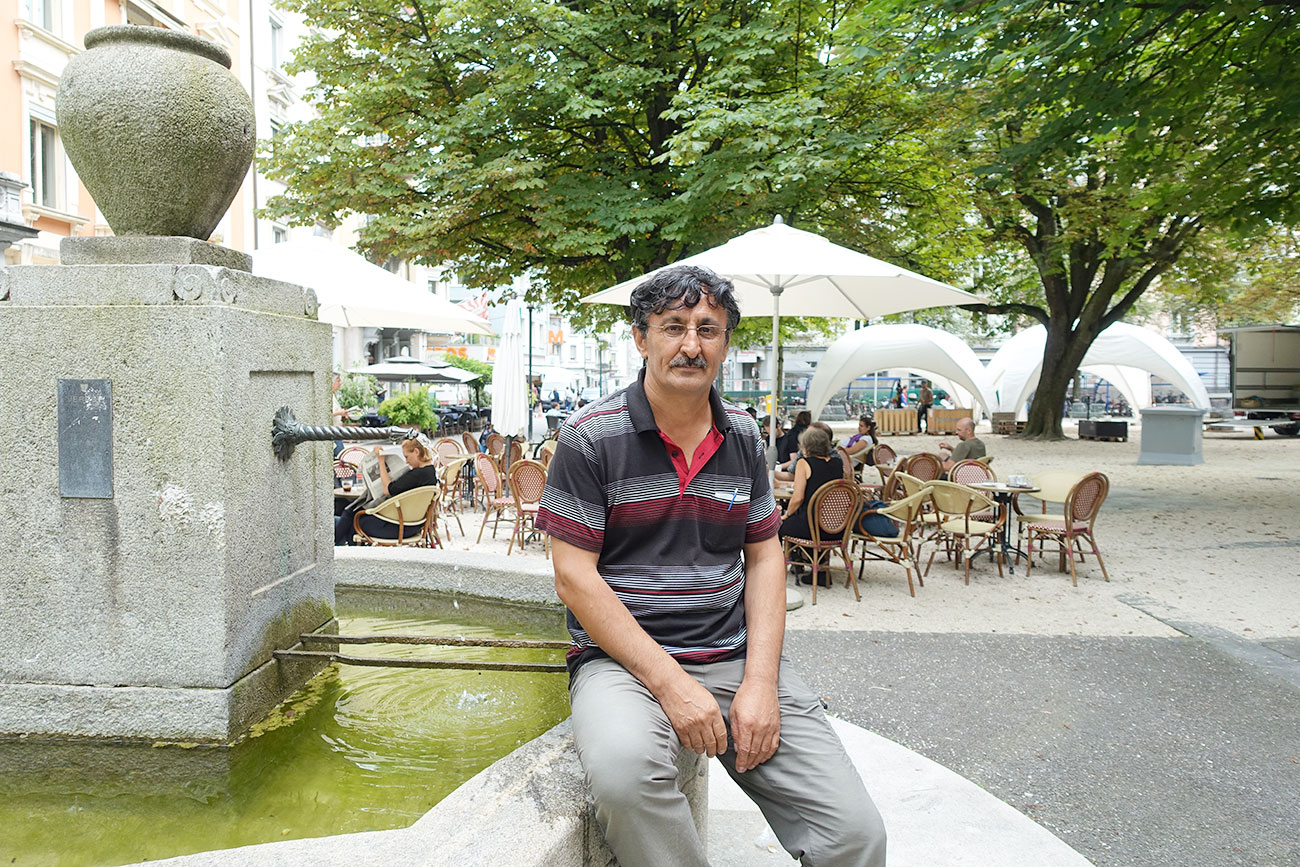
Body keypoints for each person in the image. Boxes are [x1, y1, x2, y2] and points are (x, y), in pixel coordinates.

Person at [536, 265, 885, 867]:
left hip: (730, 655)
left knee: (854, 833)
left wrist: (761, 681)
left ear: (726, 343)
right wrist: (672, 686)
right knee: (625, 777)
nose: (691, 345)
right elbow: (574, 577)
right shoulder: (589, 437)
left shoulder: (744, 435)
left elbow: (765, 555)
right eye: (673, 327)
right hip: (622, 667)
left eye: (708, 329)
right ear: (642, 338)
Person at [333, 437, 440, 545]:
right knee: (351, 513)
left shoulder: (418, 474)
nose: (406, 461)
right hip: (413, 526)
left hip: (397, 527)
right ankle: (339, 548)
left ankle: (335, 548)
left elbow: (388, 489)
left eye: (407, 456)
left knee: (353, 519)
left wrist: (381, 461)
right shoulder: (430, 473)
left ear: (416, 452)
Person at [778, 426, 849, 587]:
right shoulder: (837, 463)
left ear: (807, 446)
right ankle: (821, 570)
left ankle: (778, 569)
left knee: (775, 526)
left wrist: (786, 515)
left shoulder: (804, 463)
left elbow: (797, 498)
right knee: (802, 521)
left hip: (810, 527)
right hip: (836, 528)